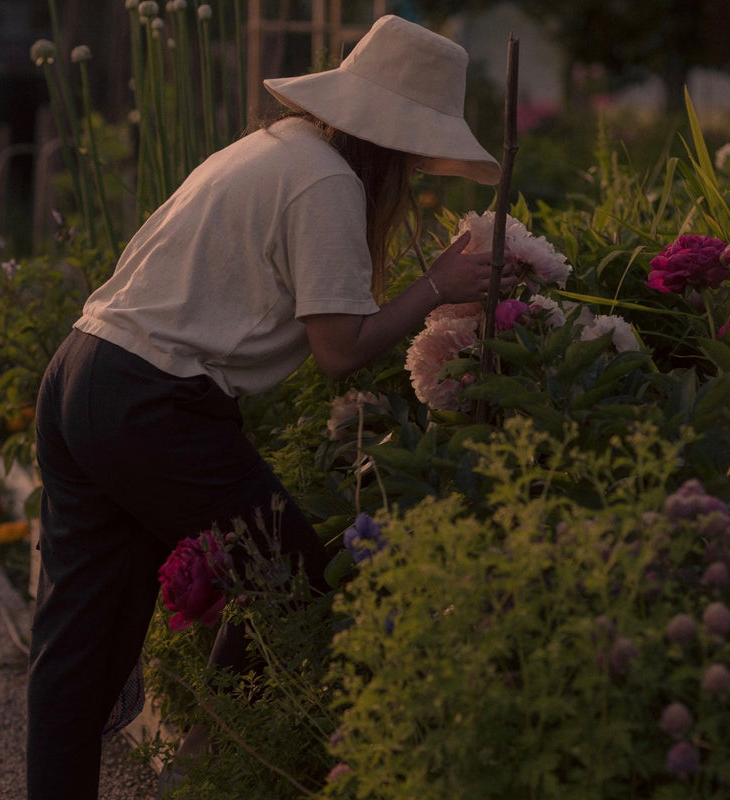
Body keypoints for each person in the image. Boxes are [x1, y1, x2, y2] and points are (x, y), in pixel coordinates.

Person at [26, 13, 512, 799]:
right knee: (288, 578)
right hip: (154, 400)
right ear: (394, 138)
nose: (417, 174)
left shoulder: (273, 148)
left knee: (79, 640)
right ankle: (206, 769)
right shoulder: (327, 180)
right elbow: (340, 349)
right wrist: (439, 288)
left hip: (83, 373)